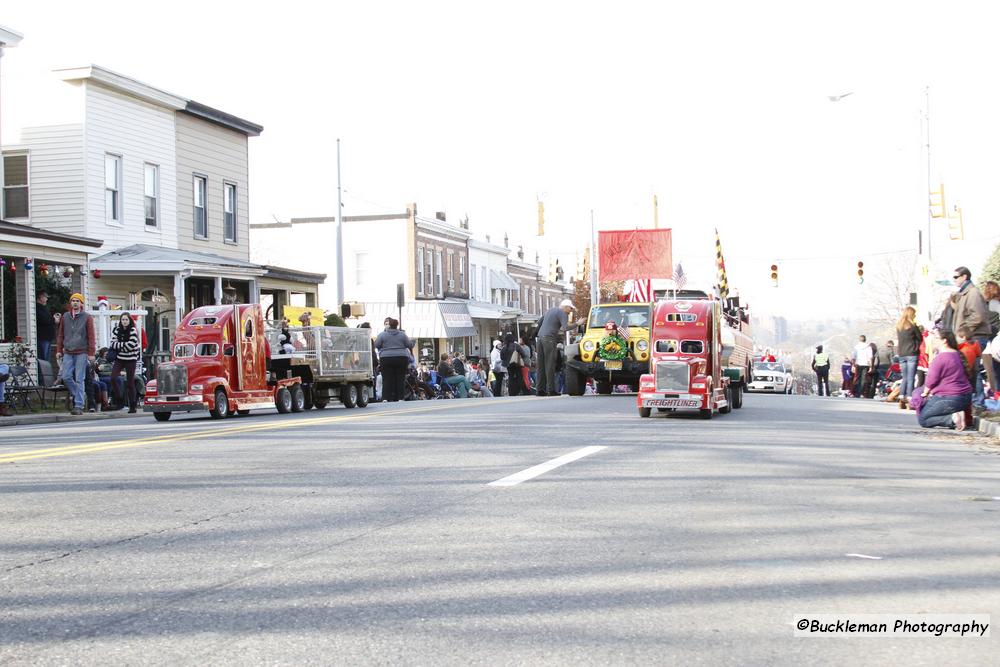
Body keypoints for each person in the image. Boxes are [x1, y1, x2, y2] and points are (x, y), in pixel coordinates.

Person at [950, 266, 991, 409]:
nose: (954, 280)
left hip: (975, 337)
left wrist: (963, 331)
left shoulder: (972, 293)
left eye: (956, 277)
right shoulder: (964, 294)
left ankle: (978, 403)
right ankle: (974, 403)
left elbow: (978, 316)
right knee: (970, 370)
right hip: (971, 337)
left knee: (973, 370)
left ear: (964, 277)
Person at [916, 330, 973, 430]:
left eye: (936, 338)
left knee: (923, 419)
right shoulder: (959, 355)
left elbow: (931, 380)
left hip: (949, 398)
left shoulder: (941, 358)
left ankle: (953, 419)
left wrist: (924, 393)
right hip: (965, 398)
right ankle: (957, 416)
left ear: (944, 341)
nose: (933, 340)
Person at [56, 293, 96, 415]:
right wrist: (58, 349)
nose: (75, 303)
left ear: (81, 303)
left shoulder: (87, 317)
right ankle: (80, 394)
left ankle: (79, 405)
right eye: (73, 301)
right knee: (66, 376)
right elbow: (61, 334)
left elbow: (91, 336)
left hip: (82, 352)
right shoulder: (65, 316)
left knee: (80, 379)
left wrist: (91, 352)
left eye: (77, 301)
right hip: (68, 351)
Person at [535, 299, 585, 397]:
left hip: (540, 338)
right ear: (566, 306)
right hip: (549, 338)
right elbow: (565, 328)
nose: (571, 311)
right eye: (570, 308)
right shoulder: (562, 313)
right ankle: (551, 390)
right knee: (550, 364)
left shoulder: (550, 310)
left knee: (541, 365)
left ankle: (540, 389)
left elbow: (539, 321)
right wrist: (577, 324)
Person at [109, 312, 142, 413]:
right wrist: (123, 345)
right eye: (123, 320)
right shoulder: (117, 330)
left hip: (131, 359)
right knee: (113, 377)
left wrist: (119, 345)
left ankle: (133, 405)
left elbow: (131, 345)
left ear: (129, 320)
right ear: (120, 321)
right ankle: (119, 400)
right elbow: (112, 344)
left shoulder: (133, 330)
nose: (124, 321)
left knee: (130, 383)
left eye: (126, 320)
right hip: (119, 358)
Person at [374, 317, 412, 402]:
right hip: (401, 357)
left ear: (389, 325)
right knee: (400, 378)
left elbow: (376, 345)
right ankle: (400, 397)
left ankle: (385, 398)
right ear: (396, 325)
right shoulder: (402, 334)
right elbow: (409, 344)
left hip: (386, 357)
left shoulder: (382, 335)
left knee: (386, 378)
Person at [895, 306, 922, 408]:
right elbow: (920, 338)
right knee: (911, 377)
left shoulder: (899, 326)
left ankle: (902, 397)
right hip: (912, 353)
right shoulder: (912, 326)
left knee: (905, 377)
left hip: (902, 354)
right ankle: (910, 398)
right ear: (912, 314)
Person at [36, 291, 56, 364]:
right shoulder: (37, 308)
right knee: (43, 360)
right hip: (43, 338)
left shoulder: (43, 308)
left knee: (47, 360)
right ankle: (42, 375)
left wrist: (53, 318)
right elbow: (44, 320)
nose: (47, 299)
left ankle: (45, 375)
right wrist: (54, 320)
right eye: (46, 297)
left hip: (47, 338)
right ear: (41, 298)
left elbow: (48, 318)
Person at [851, 335, 873, 399]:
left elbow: (853, 357)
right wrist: (871, 366)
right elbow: (870, 357)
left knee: (857, 378)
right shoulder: (868, 347)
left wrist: (853, 365)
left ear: (859, 340)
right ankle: (861, 392)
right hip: (865, 364)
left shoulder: (856, 347)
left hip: (858, 364)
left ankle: (856, 393)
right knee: (863, 379)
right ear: (865, 340)